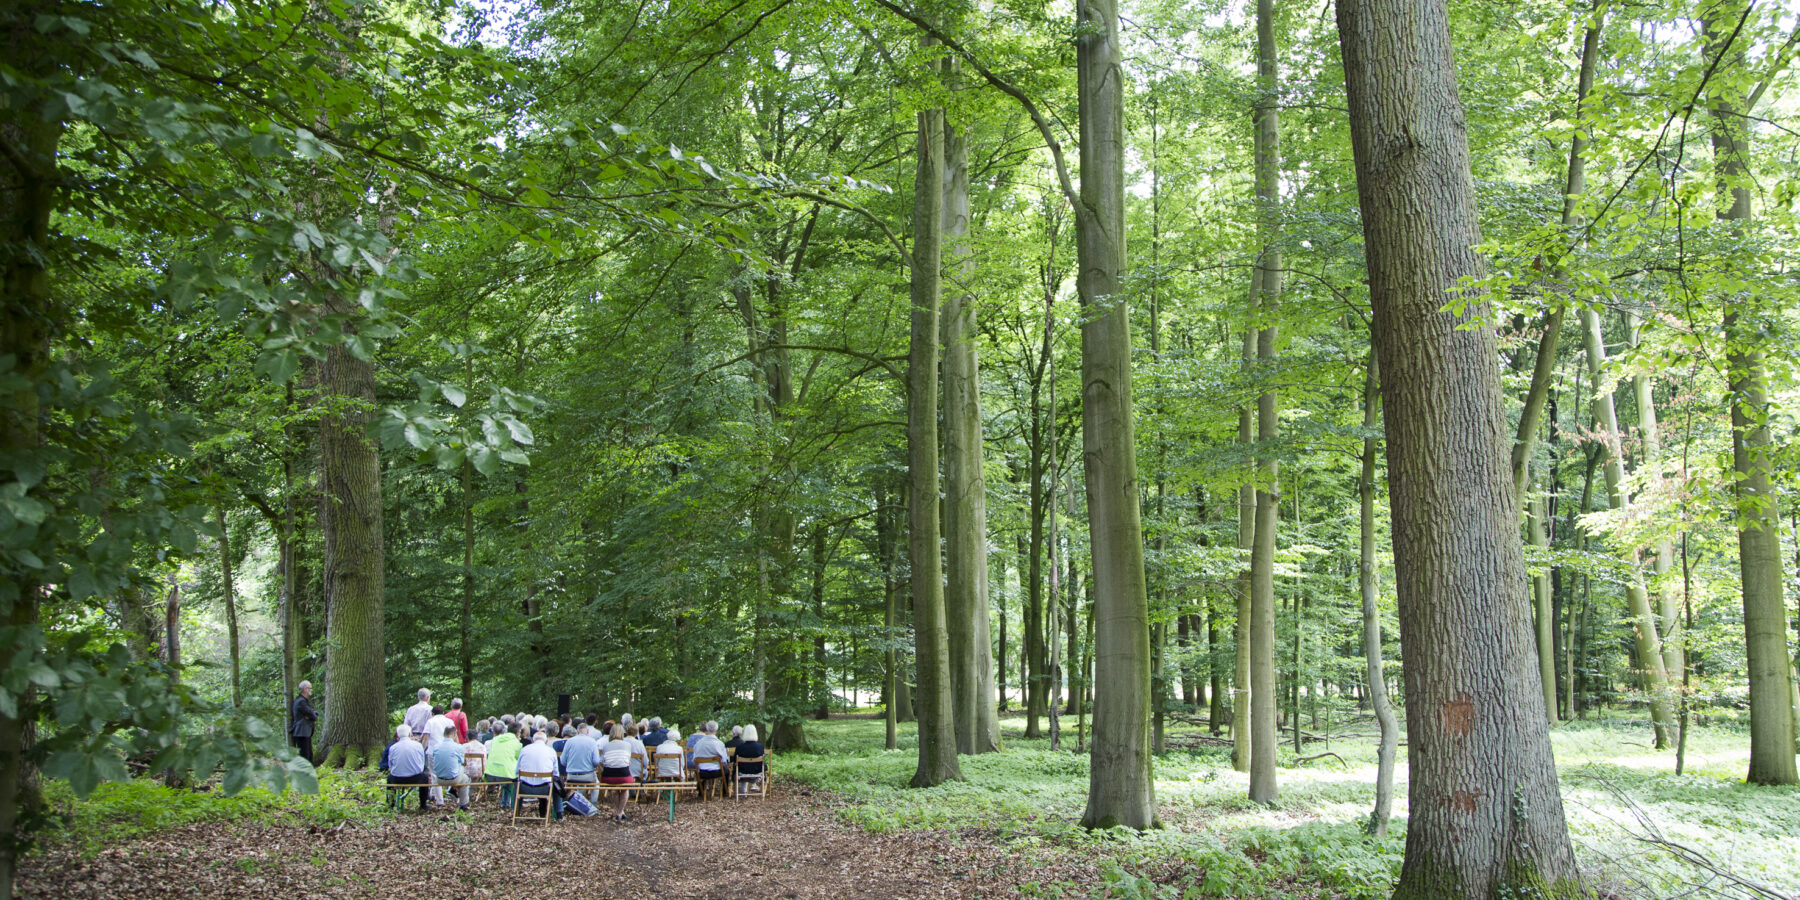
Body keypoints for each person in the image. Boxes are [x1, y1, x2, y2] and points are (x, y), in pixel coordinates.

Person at [516, 731, 564, 820]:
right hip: (545, 788)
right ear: (546, 741)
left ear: (532, 741)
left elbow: (517, 771)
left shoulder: (524, 749)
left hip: (524, 788)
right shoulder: (551, 751)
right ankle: (559, 814)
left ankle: (516, 811)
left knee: (517, 781)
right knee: (557, 783)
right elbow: (556, 773)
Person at [386, 724, 429, 811]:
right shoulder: (418, 745)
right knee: (425, 777)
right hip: (415, 778)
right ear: (409, 734)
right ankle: (423, 804)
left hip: (396, 778)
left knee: (389, 778)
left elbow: (390, 765)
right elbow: (422, 763)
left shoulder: (393, 748)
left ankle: (391, 804)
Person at [598, 723, 635, 821]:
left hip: (609, 776)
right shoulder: (628, 745)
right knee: (625, 789)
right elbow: (627, 761)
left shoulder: (606, 746)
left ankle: (619, 811)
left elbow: (602, 761)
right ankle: (620, 812)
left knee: (613, 789)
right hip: (624, 775)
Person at [431, 724, 470, 810]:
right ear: (455, 734)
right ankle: (463, 804)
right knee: (465, 777)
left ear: (444, 734)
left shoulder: (436, 747)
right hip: (453, 779)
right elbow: (463, 762)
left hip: (439, 779)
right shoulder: (458, 747)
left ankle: (451, 790)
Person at [485, 722, 523, 809]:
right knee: (515, 778)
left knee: (508, 772)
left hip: (490, 774)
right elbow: (518, 759)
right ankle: (514, 806)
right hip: (505, 776)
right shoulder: (517, 744)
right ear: (518, 733)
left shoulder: (495, 739)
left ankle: (505, 803)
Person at [561, 725, 600, 807]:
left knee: (581, 785)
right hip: (587, 776)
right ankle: (593, 804)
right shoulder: (592, 741)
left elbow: (563, 761)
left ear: (577, 731)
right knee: (596, 783)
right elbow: (596, 762)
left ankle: (580, 803)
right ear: (587, 731)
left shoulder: (569, 742)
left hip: (571, 776)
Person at [690, 721, 728, 792]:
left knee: (700, 767)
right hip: (717, 772)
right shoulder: (720, 744)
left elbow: (694, 759)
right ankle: (724, 791)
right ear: (716, 730)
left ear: (707, 729)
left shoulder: (698, 744)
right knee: (727, 770)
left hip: (702, 772)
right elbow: (724, 760)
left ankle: (701, 791)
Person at [288, 681, 317, 763]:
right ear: (305, 689)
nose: (311, 690)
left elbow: (313, 713)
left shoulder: (303, 701)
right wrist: (312, 715)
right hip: (301, 732)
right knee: (305, 756)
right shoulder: (301, 702)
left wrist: (311, 714)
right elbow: (312, 715)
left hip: (305, 732)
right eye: (310, 688)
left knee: (309, 755)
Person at [735, 724, 766, 794]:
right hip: (757, 773)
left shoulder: (739, 747)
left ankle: (743, 790)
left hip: (742, 773)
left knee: (739, 767)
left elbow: (734, 760)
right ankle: (754, 784)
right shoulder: (760, 747)